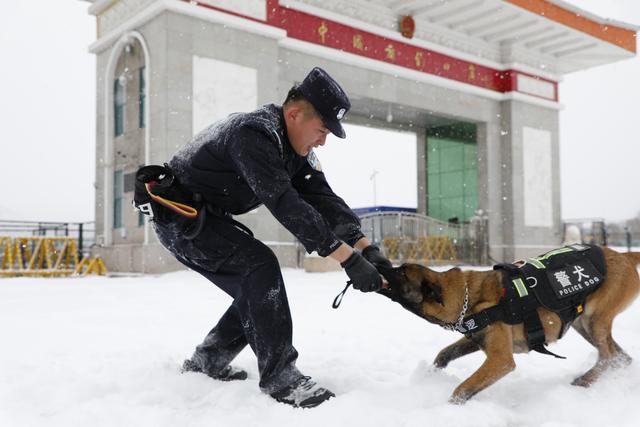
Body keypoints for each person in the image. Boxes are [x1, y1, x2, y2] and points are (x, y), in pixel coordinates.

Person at [138, 67, 392, 409]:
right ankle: (281, 378)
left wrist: (365, 248)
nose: (323, 140)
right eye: (321, 130)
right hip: (182, 221)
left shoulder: (295, 151)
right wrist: (346, 259)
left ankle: (207, 361)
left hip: (209, 220)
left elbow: (323, 199)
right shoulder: (254, 135)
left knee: (257, 289)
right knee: (259, 268)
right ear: (294, 114)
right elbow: (285, 203)